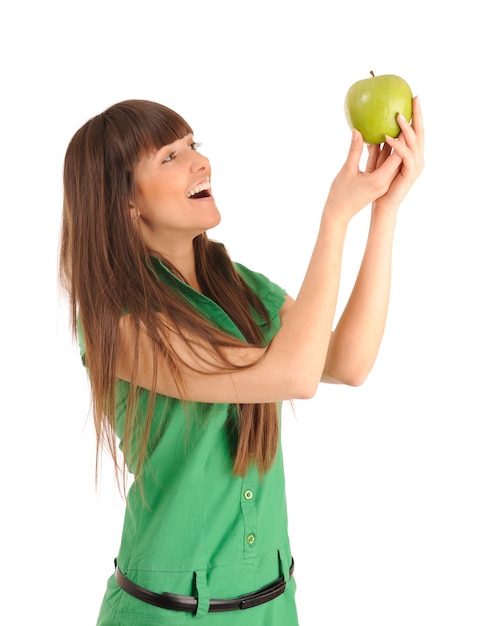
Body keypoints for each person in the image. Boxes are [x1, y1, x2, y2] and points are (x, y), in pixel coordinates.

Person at [59, 97, 424, 625]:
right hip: (169, 616)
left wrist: (384, 210)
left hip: (273, 605)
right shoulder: (120, 322)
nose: (198, 162)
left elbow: (346, 361)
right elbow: (296, 376)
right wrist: (335, 216)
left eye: (192, 147)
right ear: (125, 205)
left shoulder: (240, 287)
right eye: (168, 157)